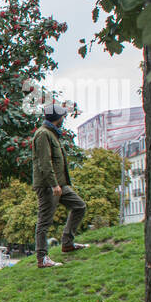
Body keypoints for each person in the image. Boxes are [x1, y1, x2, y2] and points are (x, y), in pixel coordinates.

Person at [32, 100, 87, 268]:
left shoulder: (52, 133)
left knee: (79, 206)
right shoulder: (43, 134)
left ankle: (67, 243)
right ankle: (42, 258)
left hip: (60, 184)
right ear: (57, 118)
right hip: (49, 185)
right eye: (62, 116)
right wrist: (54, 184)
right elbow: (45, 162)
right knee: (44, 221)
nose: (64, 118)